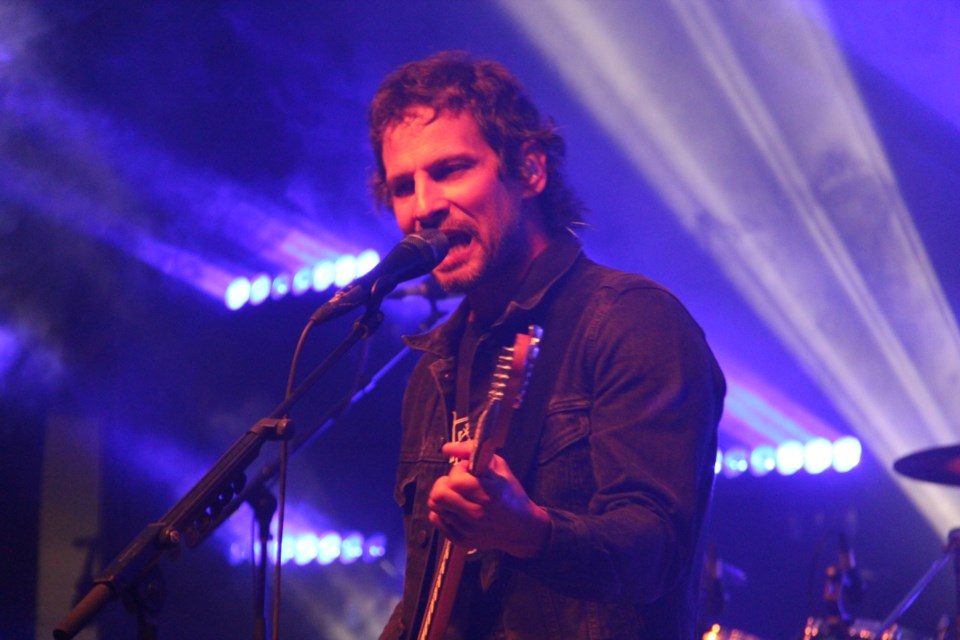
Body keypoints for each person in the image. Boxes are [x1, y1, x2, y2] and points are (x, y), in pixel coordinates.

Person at [368, 50, 726, 640]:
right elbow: (429, 601)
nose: (424, 207)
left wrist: (531, 532)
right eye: (404, 186)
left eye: (451, 169)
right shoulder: (435, 366)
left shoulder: (632, 322)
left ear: (530, 171)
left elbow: (657, 549)